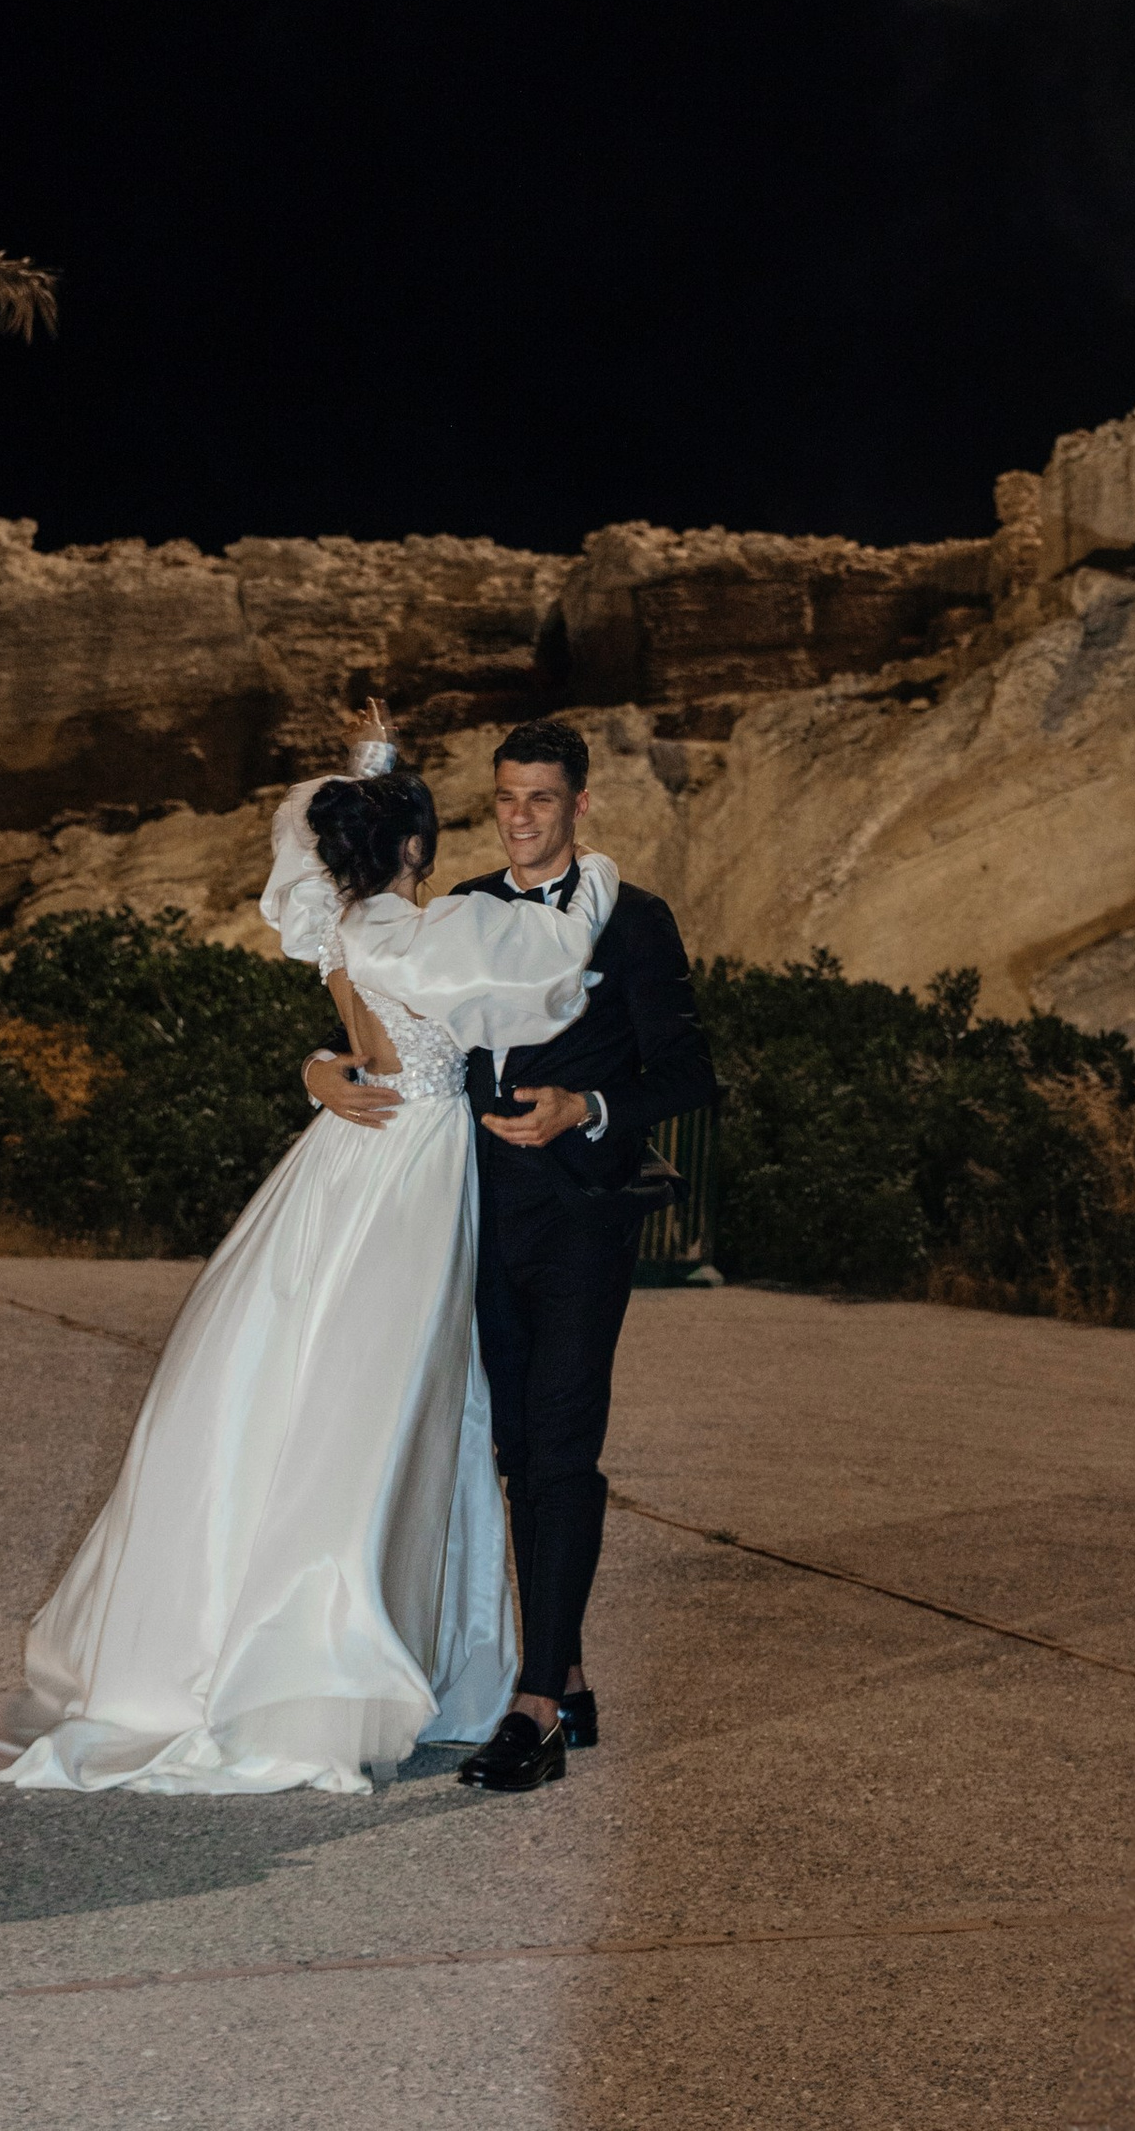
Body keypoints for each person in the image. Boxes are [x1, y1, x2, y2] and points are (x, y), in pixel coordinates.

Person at [0, 743, 616, 1795]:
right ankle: (337, 1661)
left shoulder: (339, 926)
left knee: (300, 1386)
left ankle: (293, 1645)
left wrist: (320, 1064)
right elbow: (552, 965)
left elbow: (338, 953)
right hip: (413, 1165)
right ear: (411, 847)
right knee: (387, 1406)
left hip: (346, 1157)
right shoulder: (421, 929)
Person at [310, 711, 719, 1795]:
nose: (521, 819)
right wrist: (320, 1063)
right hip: (474, 1217)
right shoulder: (466, 912)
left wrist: (587, 1104)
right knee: (509, 1454)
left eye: (541, 799)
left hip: (584, 1215)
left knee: (561, 1446)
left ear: (580, 804)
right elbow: (389, 1028)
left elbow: (688, 1075)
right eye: (505, 799)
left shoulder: (632, 920)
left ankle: (533, 1710)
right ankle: (566, 1673)